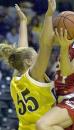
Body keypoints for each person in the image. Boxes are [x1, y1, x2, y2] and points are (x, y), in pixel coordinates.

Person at [0, 1, 56, 130]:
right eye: (36, 56)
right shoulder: (35, 75)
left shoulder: (16, 79)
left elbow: (22, 51)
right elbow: (46, 46)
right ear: (29, 62)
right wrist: (48, 16)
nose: (39, 59)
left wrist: (23, 22)